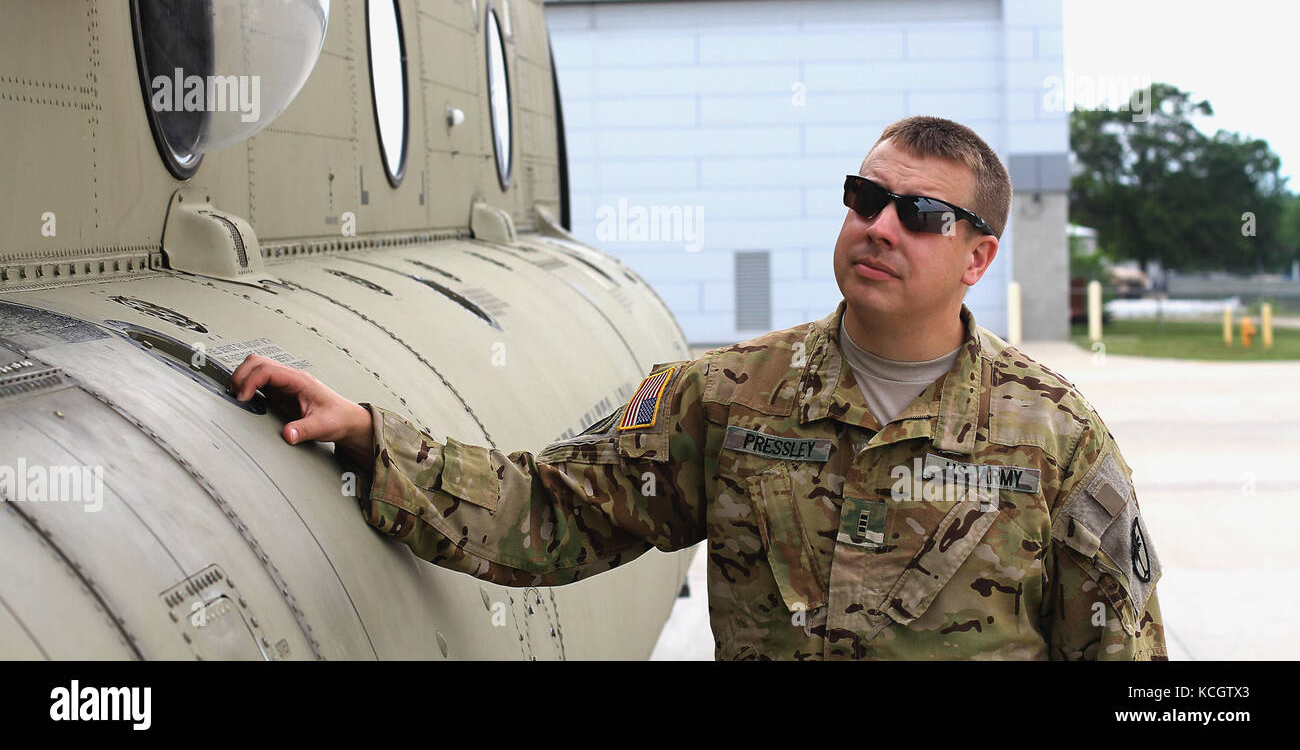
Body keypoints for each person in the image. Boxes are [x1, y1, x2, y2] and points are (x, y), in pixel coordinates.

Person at [231, 115, 1167, 660]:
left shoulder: (1053, 438)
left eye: (918, 213)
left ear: (978, 256)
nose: (878, 226)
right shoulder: (727, 396)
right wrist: (368, 437)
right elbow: (553, 514)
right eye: (863, 197)